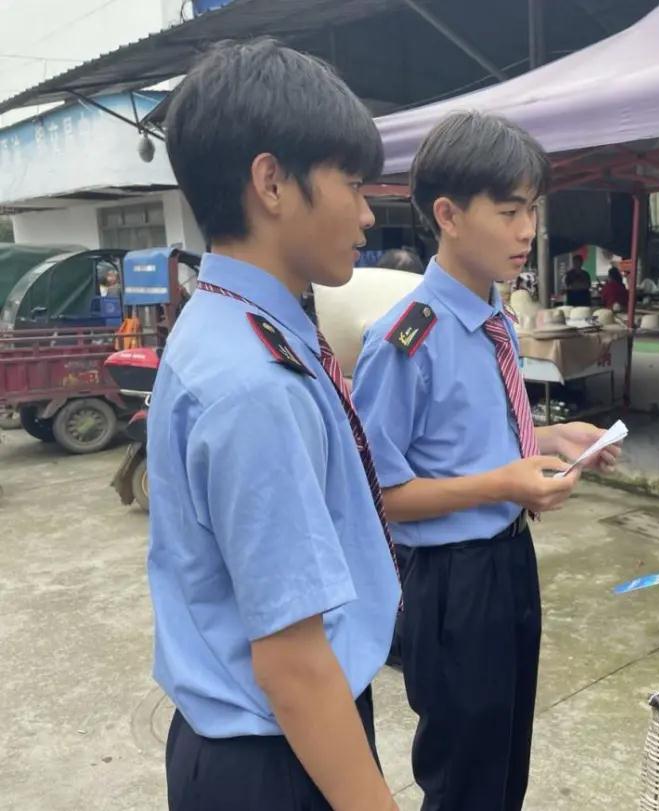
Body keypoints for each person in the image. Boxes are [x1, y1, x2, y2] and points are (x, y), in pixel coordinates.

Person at [148, 40, 400, 811]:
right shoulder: (256, 382)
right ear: (272, 182)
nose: (365, 214)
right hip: (278, 755)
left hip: (263, 741)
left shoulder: (237, 326)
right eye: (352, 185)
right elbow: (293, 662)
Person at [352, 111, 620, 811]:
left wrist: (552, 441)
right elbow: (379, 493)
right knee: (463, 775)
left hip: (509, 560)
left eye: (531, 208)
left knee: (506, 760)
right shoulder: (408, 337)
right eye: (507, 211)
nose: (526, 229)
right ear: (447, 214)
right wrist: (504, 482)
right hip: (451, 581)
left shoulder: (496, 317)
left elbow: (473, 437)